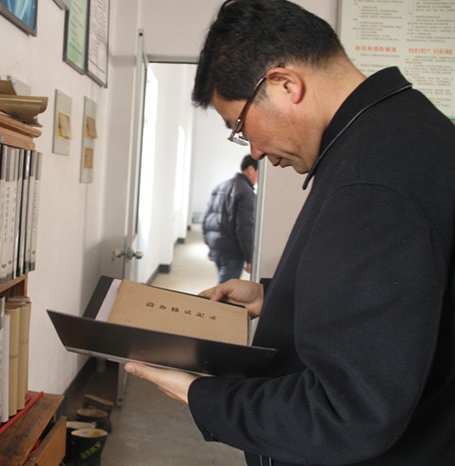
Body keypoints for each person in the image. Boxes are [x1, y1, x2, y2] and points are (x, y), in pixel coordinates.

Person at [124, 1, 455, 465]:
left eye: (240, 127)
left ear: (284, 84)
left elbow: (347, 413)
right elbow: (405, 300)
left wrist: (202, 395)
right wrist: (278, 296)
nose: (256, 152)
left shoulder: (371, 178)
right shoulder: (400, 133)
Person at [202, 154, 258, 284]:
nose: (258, 178)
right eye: (258, 172)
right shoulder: (246, 192)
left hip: (218, 246)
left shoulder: (221, 186)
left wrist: (210, 244)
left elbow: (207, 218)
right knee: (225, 289)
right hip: (233, 250)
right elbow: (244, 227)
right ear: (250, 169)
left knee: (223, 283)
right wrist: (249, 257)